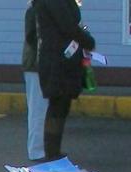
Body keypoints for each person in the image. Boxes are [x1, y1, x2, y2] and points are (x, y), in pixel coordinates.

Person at [34, 0, 95, 161]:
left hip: (62, 61)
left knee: (61, 106)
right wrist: (87, 40)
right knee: (57, 106)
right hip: (57, 62)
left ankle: (54, 150)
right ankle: (51, 152)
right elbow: (67, 25)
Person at [23, 0, 48, 162]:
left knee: (43, 109)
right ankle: (36, 150)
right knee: (37, 110)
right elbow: (32, 37)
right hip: (35, 65)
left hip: (40, 65)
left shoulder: (38, 8)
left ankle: (42, 148)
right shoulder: (34, 10)